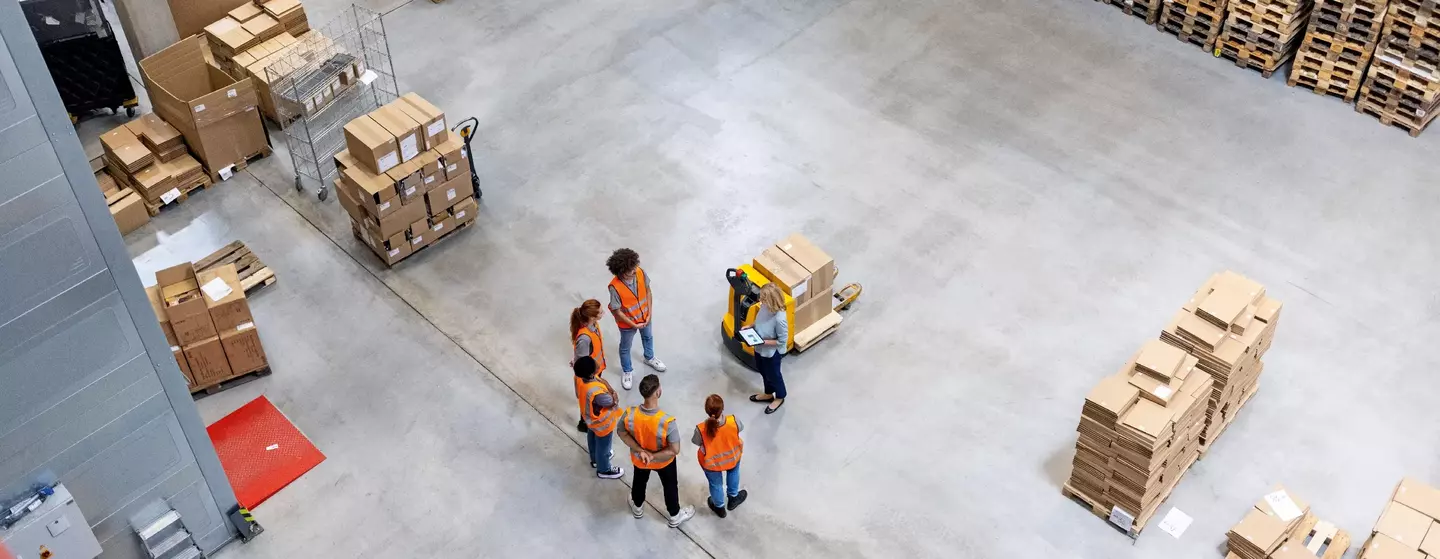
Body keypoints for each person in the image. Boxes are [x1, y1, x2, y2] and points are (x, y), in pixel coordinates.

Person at [617, 374, 694, 528]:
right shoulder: (667, 422)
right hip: (664, 463)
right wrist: (653, 456)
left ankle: (637, 507)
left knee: (639, 482)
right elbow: (674, 450)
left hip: (641, 460)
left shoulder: (630, 414)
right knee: (670, 486)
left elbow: (621, 432)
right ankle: (674, 515)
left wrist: (641, 451)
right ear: (658, 392)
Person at [607, 248, 665, 390]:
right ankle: (627, 371)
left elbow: (648, 291)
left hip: (645, 317)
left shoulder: (639, 272)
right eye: (630, 270)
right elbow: (617, 311)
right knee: (625, 348)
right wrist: (633, 324)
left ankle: (649, 357)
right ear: (621, 271)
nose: (634, 271)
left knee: (648, 337)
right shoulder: (615, 287)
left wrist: (649, 312)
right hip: (628, 325)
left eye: (634, 267)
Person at [693, 394, 748, 517]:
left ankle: (719, 507)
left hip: (711, 464)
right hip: (732, 458)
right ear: (722, 408)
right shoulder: (734, 420)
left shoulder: (701, 429)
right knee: (733, 473)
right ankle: (733, 498)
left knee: (716, 484)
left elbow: (696, 442)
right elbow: (741, 428)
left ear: (706, 411)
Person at [574, 357, 624, 479]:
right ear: (592, 372)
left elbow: (601, 381)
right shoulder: (596, 392)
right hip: (602, 424)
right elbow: (611, 401)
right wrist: (614, 395)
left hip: (590, 420)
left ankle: (595, 459)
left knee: (592, 438)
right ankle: (604, 469)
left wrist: (609, 389)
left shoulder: (582, 379)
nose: (597, 363)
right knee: (604, 446)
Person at [749, 284, 788, 414]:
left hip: (771, 353)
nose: (760, 300)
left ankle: (780, 397)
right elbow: (759, 321)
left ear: (771, 300)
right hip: (760, 348)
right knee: (763, 371)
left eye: (763, 298)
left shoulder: (779, 319)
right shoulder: (764, 307)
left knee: (774, 375)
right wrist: (750, 326)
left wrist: (763, 342)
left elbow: (782, 341)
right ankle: (768, 394)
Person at [572, 300, 608, 432]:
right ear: (592, 316)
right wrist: (593, 378)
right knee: (587, 401)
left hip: (595, 371)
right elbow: (582, 364)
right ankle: (584, 424)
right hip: (588, 375)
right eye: (600, 312)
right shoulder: (585, 338)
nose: (603, 313)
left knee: (592, 401)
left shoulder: (594, 325)